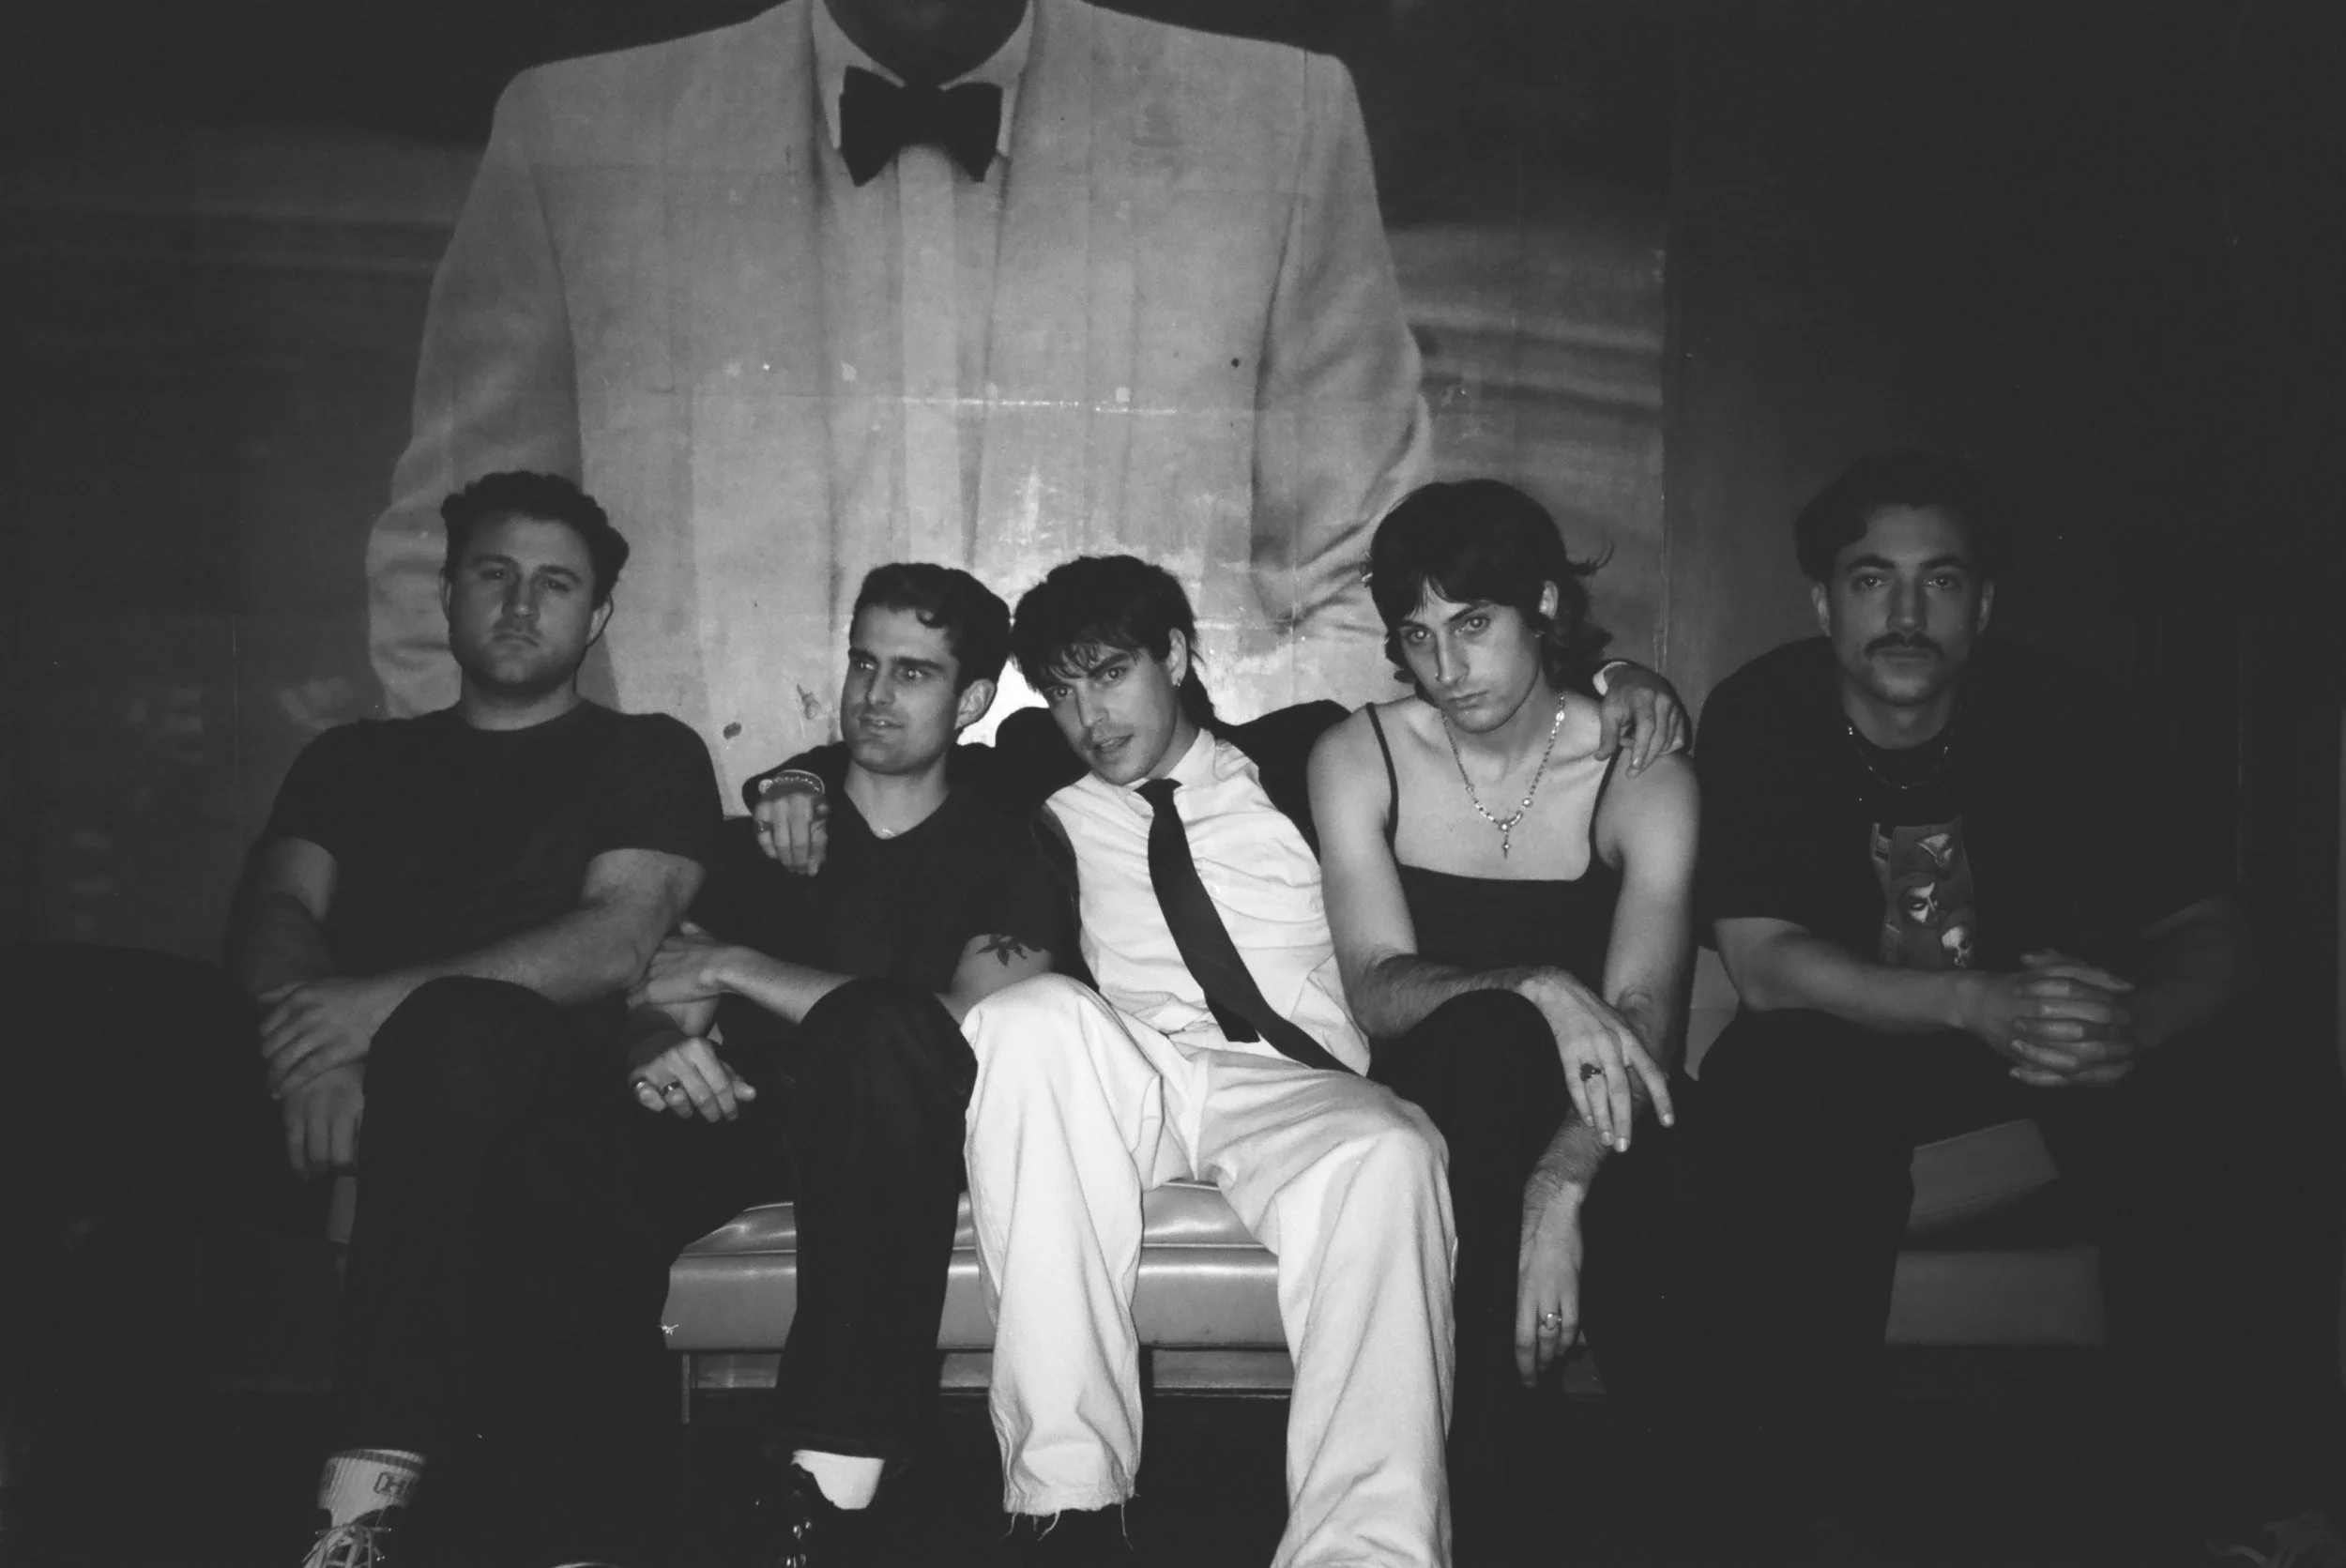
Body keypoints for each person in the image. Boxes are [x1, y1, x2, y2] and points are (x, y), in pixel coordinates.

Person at [365, 0, 1433, 798]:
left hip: (1124, 903)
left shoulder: (1278, 120)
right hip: (704, 894)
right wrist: (578, 876)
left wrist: (1211, 854)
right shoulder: (574, 135)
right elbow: (449, 566)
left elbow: (1368, 577)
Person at [1688, 450, 2255, 1557]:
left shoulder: (2077, 716)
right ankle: (1809, 1512)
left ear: (1983, 603)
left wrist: (2132, 1026)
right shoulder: (1764, 710)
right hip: (1850, 1038)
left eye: (1939, 581)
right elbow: (1763, 964)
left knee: (2225, 1088)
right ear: (1823, 602)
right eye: (1871, 580)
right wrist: (1972, 1000)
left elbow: (2210, 928)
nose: (1905, 616)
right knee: (1777, 1087)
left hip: (2046, 1044)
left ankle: (2207, 1509)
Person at [225, 471, 724, 1565]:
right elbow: (275, 908)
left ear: (597, 615)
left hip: (562, 1092)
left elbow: (617, 937)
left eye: (556, 584)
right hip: (354, 1078)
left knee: (459, 1037)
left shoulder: (645, 753)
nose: (521, 603)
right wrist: (315, 1055)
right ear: (449, 593)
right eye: (494, 574)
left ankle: (361, 1504)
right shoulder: (351, 760)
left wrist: (374, 1017)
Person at [922, 555, 1448, 1567]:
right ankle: (1066, 1504)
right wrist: (792, 779)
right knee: (1025, 1021)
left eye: (1109, 673)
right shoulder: (1037, 790)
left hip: (1300, 1086)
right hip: (1140, 1077)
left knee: (1393, 1152)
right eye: (1062, 692)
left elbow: (1468, 722)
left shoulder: (1304, 755)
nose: (1089, 717)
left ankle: (1365, 1549)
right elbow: (897, 754)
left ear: (1172, 655)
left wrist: (1609, 685)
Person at [624, 562, 1065, 1568]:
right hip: (747, 1117)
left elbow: (954, 1030)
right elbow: (670, 991)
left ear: (972, 700)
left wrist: (740, 966)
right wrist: (656, 1046)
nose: (874, 693)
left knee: (879, 1033)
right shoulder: (768, 833)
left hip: (903, 1133)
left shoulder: (1012, 852)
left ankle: (831, 1476)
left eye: (913, 672)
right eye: (865, 662)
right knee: (569, 1160)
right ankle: (581, 1508)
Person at [1306, 480, 1700, 1563]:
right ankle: (1496, 1501)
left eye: (1473, 622)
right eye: (1417, 635)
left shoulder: (1637, 765)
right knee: (1488, 1042)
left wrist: (1559, 1185)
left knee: (1682, 1168)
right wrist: (1537, 984)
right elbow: (1377, 987)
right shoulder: (1360, 755)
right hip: (1444, 1102)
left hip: (1598, 1112)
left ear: (1542, 605)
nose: (1446, 666)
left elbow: (1646, 1020)